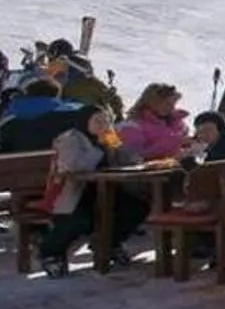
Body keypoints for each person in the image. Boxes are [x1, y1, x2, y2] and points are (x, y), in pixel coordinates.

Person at [39, 107, 147, 277]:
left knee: (136, 208)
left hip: (106, 189)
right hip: (74, 192)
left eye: (106, 121)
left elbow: (128, 159)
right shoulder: (70, 139)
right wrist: (98, 148)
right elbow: (73, 166)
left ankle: (110, 243)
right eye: (97, 121)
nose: (103, 125)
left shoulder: (110, 136)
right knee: (81, 219)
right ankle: (51, 252)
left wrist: (122, 150)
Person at [0, 77, 90, 153]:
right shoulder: (74, 113)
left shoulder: (8, 121)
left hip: (19, 169)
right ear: (56, 95)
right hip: (65, 169)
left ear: (28, 94)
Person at [116, 82, 193, 162]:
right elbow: (132, 157)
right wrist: (174, 143)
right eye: (166, 103)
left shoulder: (176, 123)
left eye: (173, 104)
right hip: (154, 169)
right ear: (151, 102)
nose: (171, 107)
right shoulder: (132, 126)